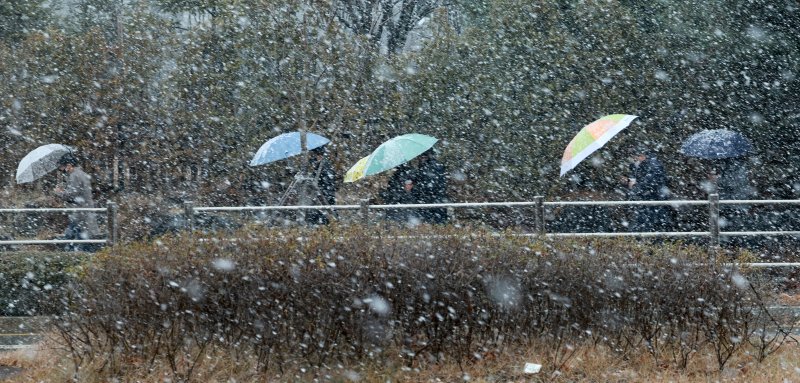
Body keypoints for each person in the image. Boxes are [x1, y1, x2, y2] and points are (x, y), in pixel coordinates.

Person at [54, 153, 100, 251]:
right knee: (81, 238)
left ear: (69, 165)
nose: (62, 170)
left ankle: (69, 255)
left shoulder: (75, 175)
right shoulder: (80, 174)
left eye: (63, 166)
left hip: (80, 212)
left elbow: (71, 194)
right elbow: (76, 192)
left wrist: (59, 193)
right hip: (83, 211)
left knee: (73, 237)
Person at [620, 147, 670, 232]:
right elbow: (646, 181)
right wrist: (630, 182)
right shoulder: (648, 164)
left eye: (636, 157)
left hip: (653, 200)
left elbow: (649, 182)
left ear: (642, 156)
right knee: (647, 223)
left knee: (650, 223)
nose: (635, 159)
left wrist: (635, 187)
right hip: (651, 200)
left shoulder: (652, 165)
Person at [302, 146, 337, 225]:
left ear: (319, 155)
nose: (314, 158)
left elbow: (328, 183)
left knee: (323, 217)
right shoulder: (320, 166)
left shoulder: (324, 167)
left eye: (315, 155)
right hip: (321, 196)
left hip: (324, 196)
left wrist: (323, 194)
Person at [411, 150, 449, 224]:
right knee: (438, 226)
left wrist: (414, 189)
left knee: (429, 226)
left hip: (428, 202)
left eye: (421, 157)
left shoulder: (426, 168)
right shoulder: (437, 166)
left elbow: (427, 186)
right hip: (437, 201)